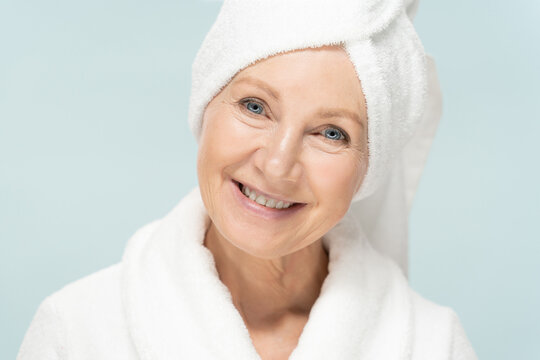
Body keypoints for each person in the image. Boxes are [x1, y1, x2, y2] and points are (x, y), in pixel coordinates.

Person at [17, 0, 477, 359]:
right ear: (206, 104)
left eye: (331, 133)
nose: (277, 165)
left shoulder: (435, 346)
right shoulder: (77, 333)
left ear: (369, 168)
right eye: (255, 107)